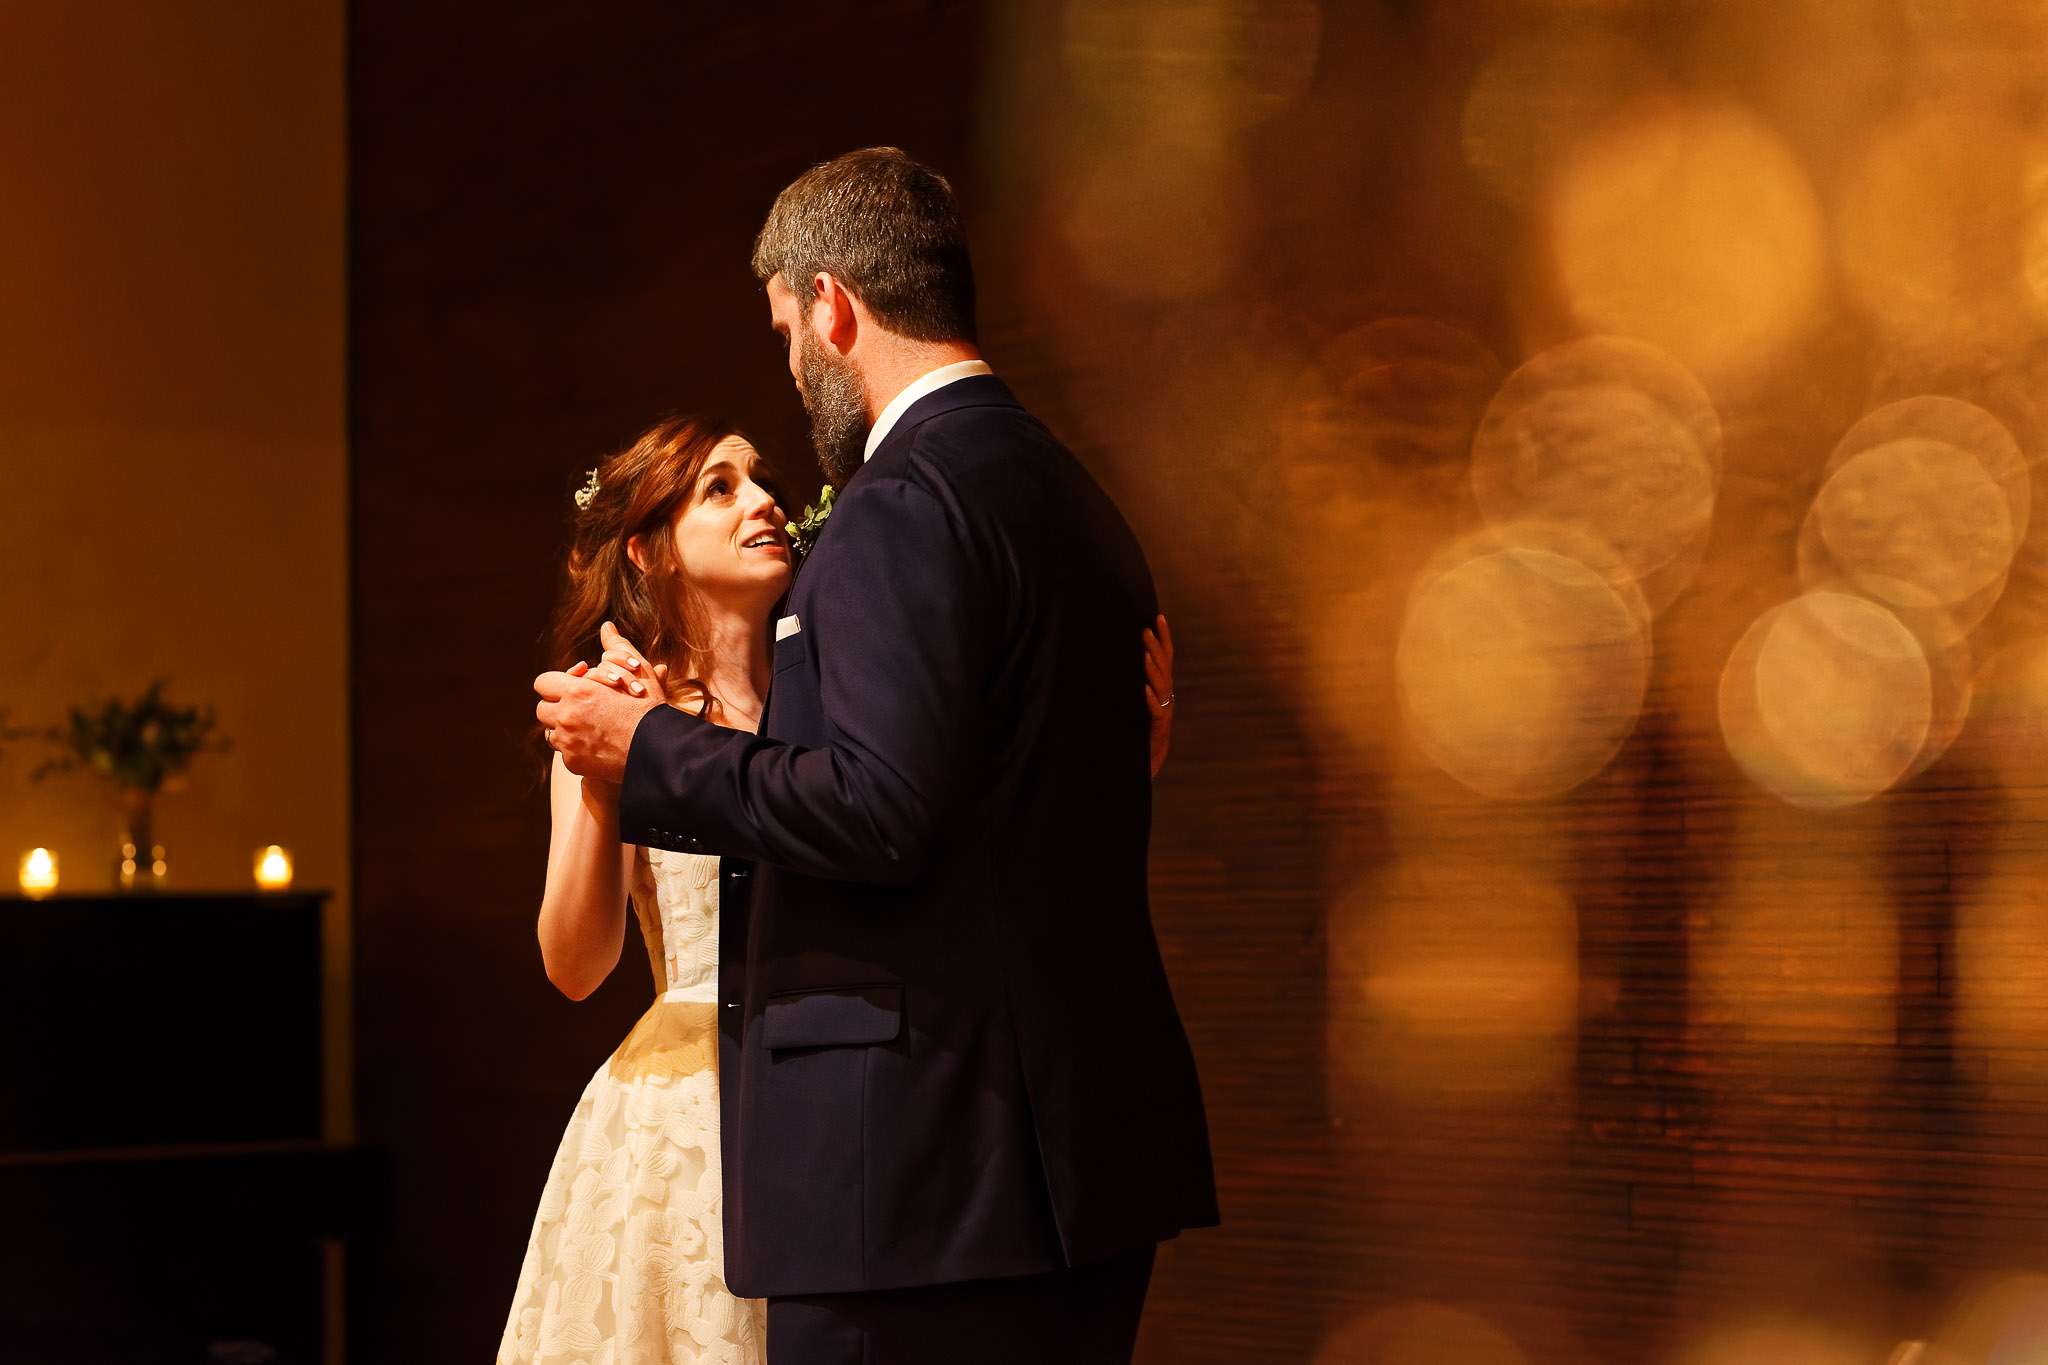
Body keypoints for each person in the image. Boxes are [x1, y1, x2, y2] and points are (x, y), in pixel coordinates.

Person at [536, 148, 1216, 1364]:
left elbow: (882, 806)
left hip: (917, 1163)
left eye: (786, 333)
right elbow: (982, 791)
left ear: (831, 306)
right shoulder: (1075, 500)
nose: (793, 370)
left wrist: (649, 752)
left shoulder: (900, 504)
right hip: (1075, 1150)